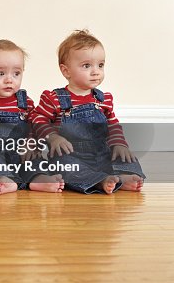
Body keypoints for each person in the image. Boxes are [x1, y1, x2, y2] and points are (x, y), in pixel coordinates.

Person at [31, 29, 145, 194]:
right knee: (65, 168)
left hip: (101, 154)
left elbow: (112, 124)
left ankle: (123, 176)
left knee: (127, 158)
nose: (96, 71)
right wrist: (53, 137)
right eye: (86, 66)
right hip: (70, 156)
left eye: (100, 65)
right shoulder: (54, 98)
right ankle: (99, 181)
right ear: (66, 71)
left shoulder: (103, 99)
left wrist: (119, 143)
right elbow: (37, 119)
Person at [0, 40, 64, 195]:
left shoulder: (25, 102)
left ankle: (39, 180)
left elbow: (32, 127)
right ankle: (0, 180)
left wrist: (30, 144)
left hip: (21, 153)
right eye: (1, 73)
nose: (9, 79)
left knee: (35, 163)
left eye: (16, 73)